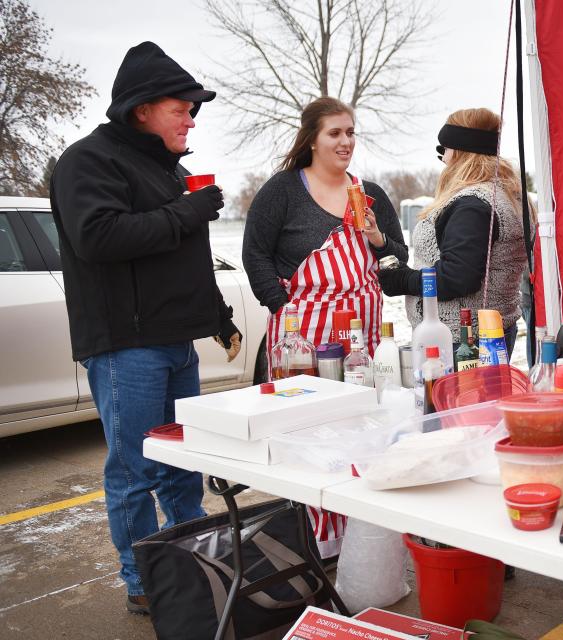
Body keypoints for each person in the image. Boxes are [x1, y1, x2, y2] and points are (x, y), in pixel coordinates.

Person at [50, 41, 239, 615]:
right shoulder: (88, 161)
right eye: (181, 108)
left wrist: (217, 316)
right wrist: (186, 211)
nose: (191, 119)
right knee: (134, 469)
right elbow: (98, 237)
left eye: (193, 109)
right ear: (142, 110)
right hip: (124, 346)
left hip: (175, 343)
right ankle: (143, 579)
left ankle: (195, 557)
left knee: (181, 462)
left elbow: (184, 254)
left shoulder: (168, 169)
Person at [242, 97, 407, 358]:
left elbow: (398, 261)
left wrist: (378, 239)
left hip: (363, 338)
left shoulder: (370, 194)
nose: (346, 141)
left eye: (350, 133)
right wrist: (280, 306)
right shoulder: (282, 190)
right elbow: (255, 254)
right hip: (301, 336)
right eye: (334, 133)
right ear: (312, 140)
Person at [379, 108, 528, 357]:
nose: (443, 160)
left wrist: (402, 280)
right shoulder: (506, 195)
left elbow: (458, 277)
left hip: (463, 341)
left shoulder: (473, 204)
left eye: (444, 150)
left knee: (460, 398)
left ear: (458, 152)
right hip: (491, 330)